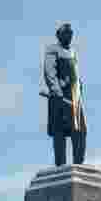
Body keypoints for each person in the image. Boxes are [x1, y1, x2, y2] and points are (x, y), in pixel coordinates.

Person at [44, 22, 87, 166]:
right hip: (61, 97)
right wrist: (56, 91)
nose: (69, 36)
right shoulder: (52, 50)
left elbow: (74, 72)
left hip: (75, 97)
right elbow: (49, 71)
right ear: (60, 35)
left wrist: (80, 85)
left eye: (71, 34)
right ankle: (60, 167)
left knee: (80, 130)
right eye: (66, 34)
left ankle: (79, 165)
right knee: (60, 133)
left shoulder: (73, 52)